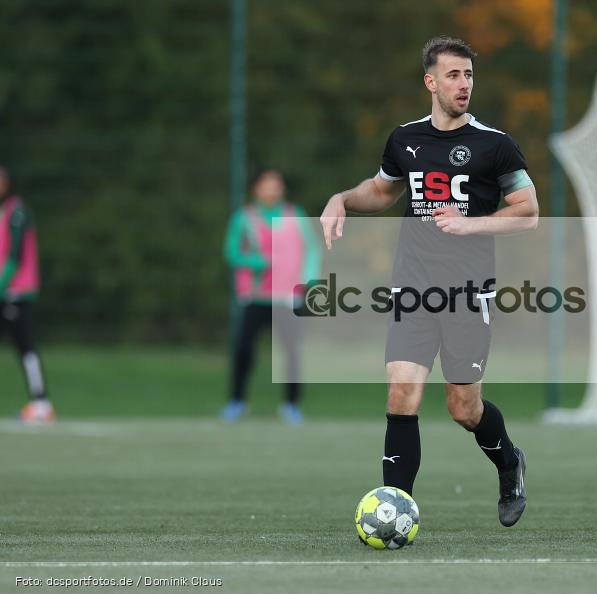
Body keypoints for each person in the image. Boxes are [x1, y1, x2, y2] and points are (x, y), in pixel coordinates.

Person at [320, 36, 538, 527]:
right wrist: (342, 199)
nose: (464, 85)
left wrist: (471, 223)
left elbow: (528, 213)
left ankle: (509, 463)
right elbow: (381, 191)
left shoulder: (495, 144)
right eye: (455, 75)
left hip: (467, 291)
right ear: (431, 82)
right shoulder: (405, 139)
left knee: (464, 407)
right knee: (401, 392)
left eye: (469, 75)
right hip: (413, 286)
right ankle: (396, 509)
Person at [222, 168, 321, 424]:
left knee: (292, 352)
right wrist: (256, 262)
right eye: (266, 184)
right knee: (243, 350)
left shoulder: (295, 215)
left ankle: (291, 405)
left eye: (276, 185)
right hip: (255, 297)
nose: (271, 189)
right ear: (256, 188)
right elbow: (231, 253)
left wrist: (308, 280)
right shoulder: (244, 218)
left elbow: (311, 249)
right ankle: (237, 401)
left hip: (287, 298)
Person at [0, 166, 53, 423]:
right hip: (5, 291)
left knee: (26, 347)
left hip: (16, 292)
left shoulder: (17, 212)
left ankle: (41, 402)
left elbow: (14, 257)